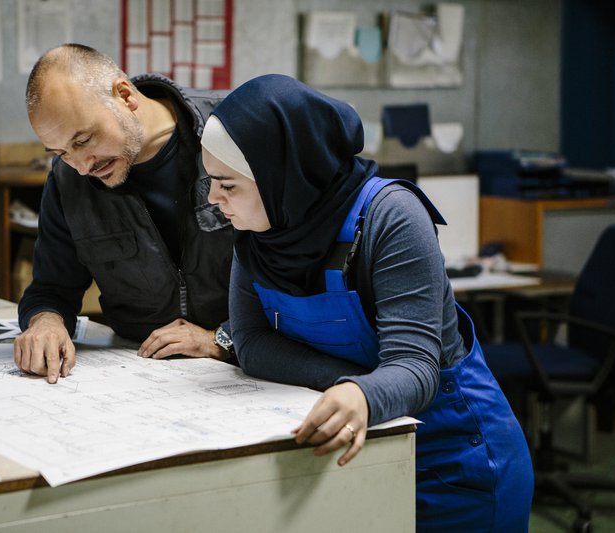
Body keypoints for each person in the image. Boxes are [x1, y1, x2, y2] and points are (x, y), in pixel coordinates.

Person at [200, 74, 533, 532]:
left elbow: (416, 366)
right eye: (211, 183)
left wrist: (360, 395)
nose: (214, 200)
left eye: (228, 185)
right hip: (360, 449)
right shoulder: (259, 237)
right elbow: (252, 342)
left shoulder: (391, 218)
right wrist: (354, 387)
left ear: (282, 175)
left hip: (455, 461)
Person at [15, 44, 236, 384]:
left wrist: (222, 337)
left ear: (124, 95)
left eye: (85, 139)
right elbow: (53, 287)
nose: (83, 166)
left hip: (247, 370)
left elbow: (298, 268)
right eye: (61, 151)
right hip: (143, 375)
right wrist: (46, 321)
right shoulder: (68, 179)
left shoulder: (233, 130)